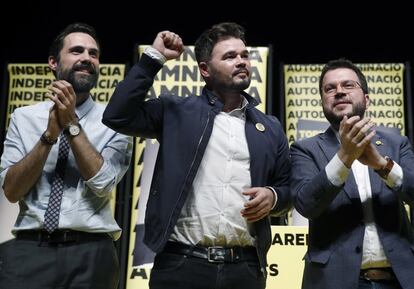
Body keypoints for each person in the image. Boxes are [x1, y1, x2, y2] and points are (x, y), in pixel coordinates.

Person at [102, 22, 291, 289]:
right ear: (205, 70)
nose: (241, 61)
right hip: (181, 265)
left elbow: (288, 190)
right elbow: (117, 115)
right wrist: (152, 59)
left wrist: (273, 196)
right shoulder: (176, 111)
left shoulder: (270, 127)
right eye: (229, 56)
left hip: (246, 269)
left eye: (244, 55)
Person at [0, 23, 132, 289]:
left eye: (94, 54)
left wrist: (71, 125)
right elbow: (12, 191)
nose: (87, 58)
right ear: (53, 62)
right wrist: (49, 135)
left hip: (92, 252)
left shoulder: (115, 121)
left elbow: (103, 183)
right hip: (28, 250)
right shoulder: (23, 118)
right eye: (77, 51)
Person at [290, 58, 414, 289]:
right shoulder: (304, 149)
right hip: (334, 281)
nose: (339, 92)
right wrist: (344, 157)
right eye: (330, 89)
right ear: (323, 102)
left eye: (348, 85)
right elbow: (306, 205)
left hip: (400, 279)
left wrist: (381, 164)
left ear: (366, 98)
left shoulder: (397, 143)